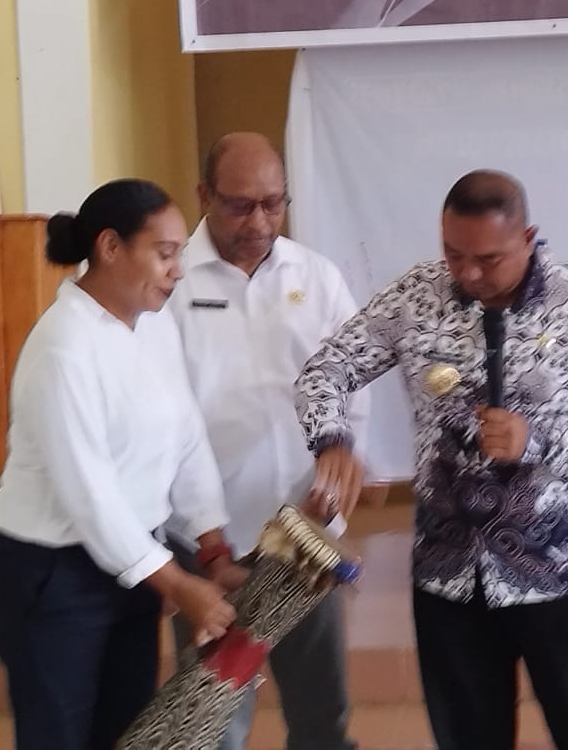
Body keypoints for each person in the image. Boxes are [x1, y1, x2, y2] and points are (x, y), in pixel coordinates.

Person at [294, 170, 568, 750]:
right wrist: (332, 439)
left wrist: (537, 440)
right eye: (453, 254)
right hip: (448, 574)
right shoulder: (417, 296)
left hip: (558, 576)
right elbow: (324, 372)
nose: (469, 274)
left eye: (488, 259)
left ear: (528, 238)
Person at [0, 179, 240, 750]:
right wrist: (176, 581)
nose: (177, 271)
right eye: (164, 253)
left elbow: (186, 434)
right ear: (110, 247)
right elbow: (90, 496)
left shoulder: (154, 322)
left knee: (128, 733)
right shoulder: (64, 347)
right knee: (58, 736)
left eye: (180, 255)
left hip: (132, 564)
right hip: (54, 575)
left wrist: (212, 548)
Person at [167, 132, 364, 750]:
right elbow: (157, 419)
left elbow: (352, 379)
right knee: (211, 723)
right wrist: (202, 543)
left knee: (321, 715)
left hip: (303, 534)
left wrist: (344, 453)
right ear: (204, 195)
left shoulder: (317, 276)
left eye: (274, 204)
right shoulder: (169, 282)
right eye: (240, 205)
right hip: (209, 542)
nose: (259, 223)